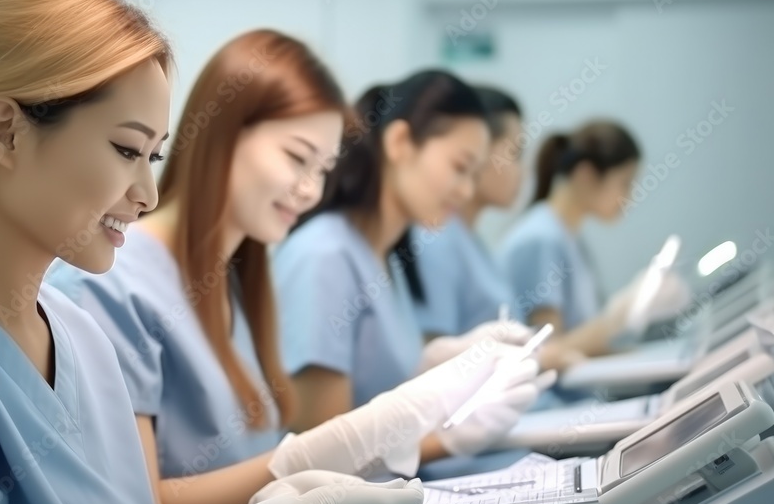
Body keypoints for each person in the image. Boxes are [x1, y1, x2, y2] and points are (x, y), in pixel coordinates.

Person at [0, 0, 423, 504]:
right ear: (5, 131)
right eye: (126, 150)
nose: (147, 194)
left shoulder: (81, 337)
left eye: (154, 157)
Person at [47, 34, 544, 504]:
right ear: (224, 133)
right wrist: (341, 446)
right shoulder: (111, 281)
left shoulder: (235, 277)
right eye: (296, 157)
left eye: (323, 168)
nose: (310, 189)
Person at [272, 71, 555, 466]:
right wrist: (450, 438)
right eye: (459, 167)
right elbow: (320, 458)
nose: (466, 192)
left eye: (475, 175)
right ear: (400, 142)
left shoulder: (385, 257)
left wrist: (439, 368)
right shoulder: (325, 257)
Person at [409, 87, 582, 371]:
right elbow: (432, 366)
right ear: (478, 149)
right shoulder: (435, 239)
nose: (524, 172)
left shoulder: (471, 240)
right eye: (514, 154)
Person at [499, 121, 689, 361]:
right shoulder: (541, 240)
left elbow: (580, 344)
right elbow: (548, 354)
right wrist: (619, 317)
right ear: (586, 175)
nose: (629, 197)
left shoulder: (569, 237)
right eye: (625, 183)